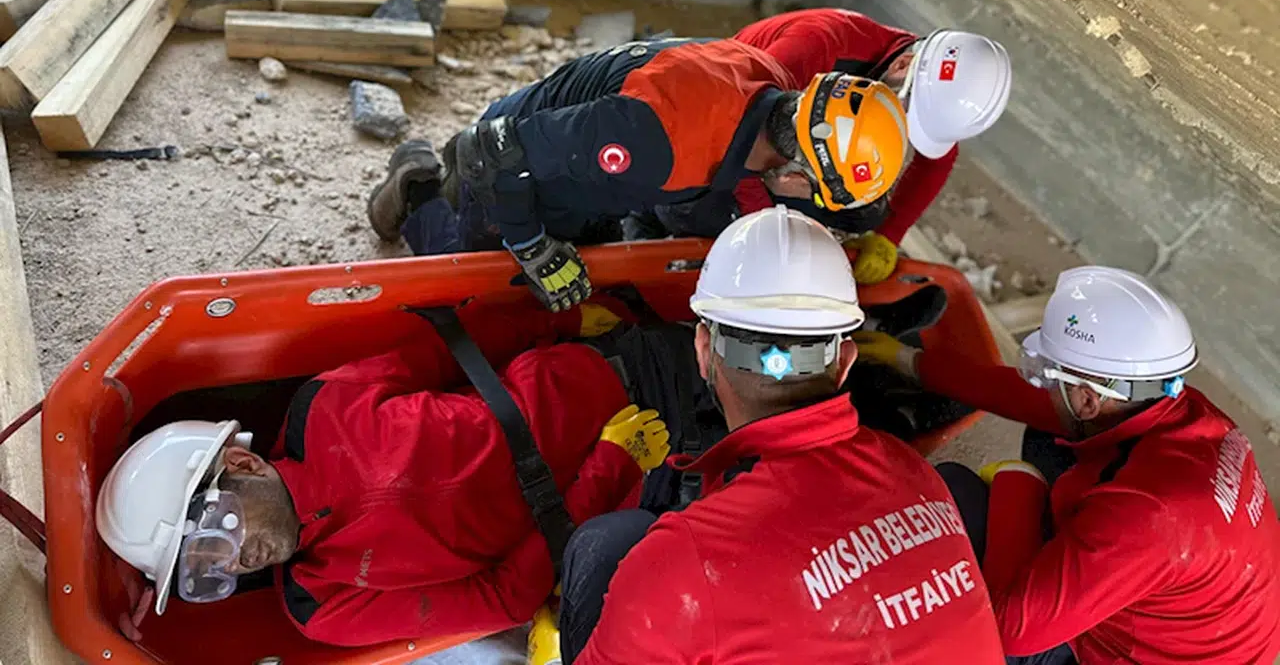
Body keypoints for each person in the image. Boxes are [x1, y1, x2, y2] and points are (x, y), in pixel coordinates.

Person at [546, 206, 1006, 664]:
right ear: (845, 361)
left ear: (703, 350)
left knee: (603, 545)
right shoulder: (909, 467)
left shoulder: (686, 561)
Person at [94, 302, 671, 648]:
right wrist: (608, 469)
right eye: (206, 568)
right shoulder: (321, 606)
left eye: (215, 533)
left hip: (602, 367)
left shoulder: (322, 407)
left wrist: (561, 317)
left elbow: (451, 349)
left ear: (242, 465)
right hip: (639, 485)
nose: (232, 561)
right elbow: (507, 598)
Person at [858, 265, 1280, 664]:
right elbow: (1042, 404)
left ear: (1089, 398)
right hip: (1201, 624)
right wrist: (912, 363)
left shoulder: (1149, 514)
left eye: (1049, 376)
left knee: (953, 496)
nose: (1042, 384)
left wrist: (1019, 484)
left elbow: (1010, 628)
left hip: (1131, 651)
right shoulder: (1186, 413)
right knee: (1050, 437)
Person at [366, 35, 909, 311]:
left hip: (581, 157)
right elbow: (492, 149)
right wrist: (531, 247)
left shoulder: (769, 83)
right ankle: (416, 187)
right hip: (507, 164)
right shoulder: (659, 139)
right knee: (473, 273)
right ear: (794, 177)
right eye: (813, 197)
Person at [732, 9, 1012, 284]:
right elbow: (734, 134)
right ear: (902, 66)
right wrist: (762, 228)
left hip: (774, 130)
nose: (898, 133)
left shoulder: (918, 88)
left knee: (855, 208)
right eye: (903, 118)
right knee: (725, 210)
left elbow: (936, 162)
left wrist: (888, 235)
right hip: (729, 114)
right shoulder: (815, 47)